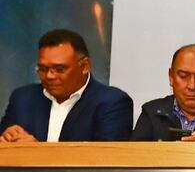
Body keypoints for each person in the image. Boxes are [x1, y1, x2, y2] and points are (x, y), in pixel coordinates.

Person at [0, 29, 132, 142]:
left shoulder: (112, 102)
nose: (50, 76)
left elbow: (106, 160)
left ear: (85, 66)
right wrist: (7, 139)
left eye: (60, 69)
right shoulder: (23, 98)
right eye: (43, 69)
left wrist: (37, 151)